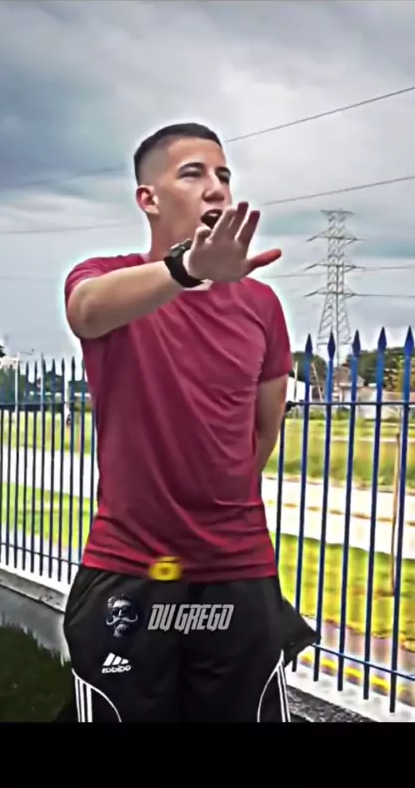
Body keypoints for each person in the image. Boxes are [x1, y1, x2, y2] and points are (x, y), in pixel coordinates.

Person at [62, 122, 309, 723]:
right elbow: (86, 312)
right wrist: (186, 269)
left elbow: (261, 432)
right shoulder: (107, 277)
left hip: (238, 570)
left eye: (224, 175)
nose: (216, 188)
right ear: (148, 198)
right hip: (132, 569)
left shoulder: (261, 306)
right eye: (193, 173)